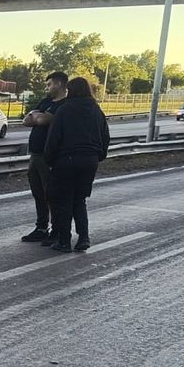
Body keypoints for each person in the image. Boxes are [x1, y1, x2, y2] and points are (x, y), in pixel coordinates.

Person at [43, 76, 110, 253]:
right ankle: (84, 237)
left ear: (70, 91)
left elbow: (54, 138)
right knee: (79, 200)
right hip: (90, 161)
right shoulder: (96, 110)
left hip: (66, 160)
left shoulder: (65, 110)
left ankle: (64, 241)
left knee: (63, 202)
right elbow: (105, 137)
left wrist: (49, 160)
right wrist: (98, 156)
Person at [20, 71, 69, 243]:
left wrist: (38, 116)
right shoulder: (46, 102)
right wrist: (37, 116)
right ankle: (41, 227)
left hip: (50, 157)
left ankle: (57, 230)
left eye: (49, 84)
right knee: (38, 193)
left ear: (59, 85)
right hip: (35, 155)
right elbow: (27, 120)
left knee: (52, 195)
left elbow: (42, 120)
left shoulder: (65, 105)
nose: (46, 88)